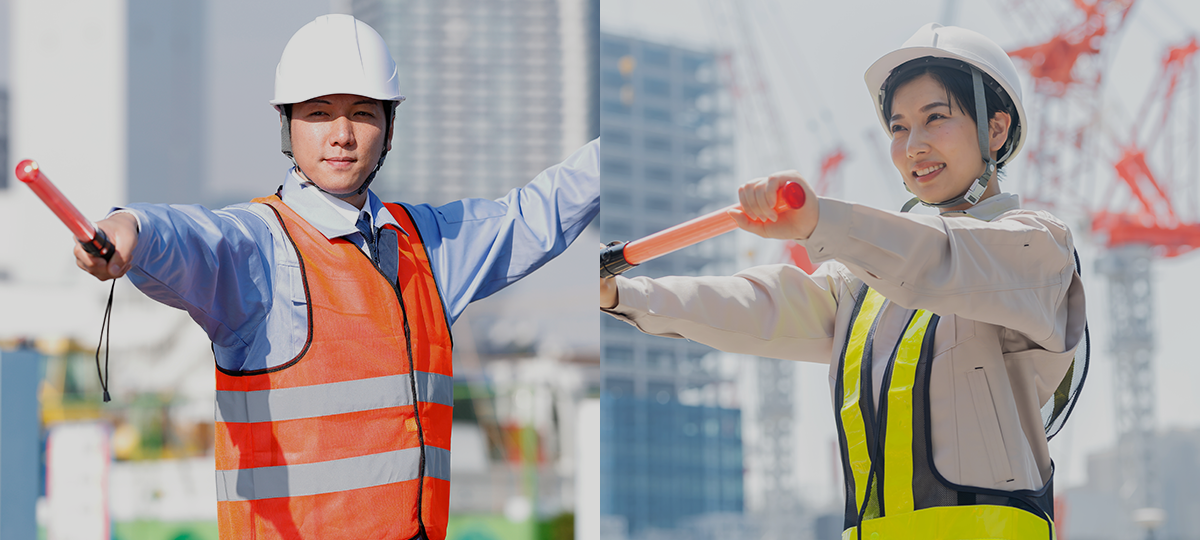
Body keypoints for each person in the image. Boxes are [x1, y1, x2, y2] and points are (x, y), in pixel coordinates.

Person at [74, 14, 598, 540]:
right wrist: (131, 229)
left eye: (363, 114)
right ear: (287, 124)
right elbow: (193, 238)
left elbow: (534, 215)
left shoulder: (428, 247)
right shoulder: (260, 247)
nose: (342, 136)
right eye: (320, 113)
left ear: (390, 128)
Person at [601, 23, 1086, 539]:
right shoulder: (865, 284)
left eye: (935, 118)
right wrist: (623, 293)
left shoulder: (1036, 250)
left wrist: (821, 221)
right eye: (898, 128)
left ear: (996, 129)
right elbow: (761, 306)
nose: (913, 146)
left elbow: (940, 257)